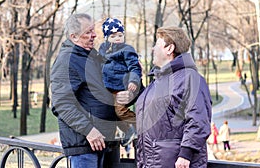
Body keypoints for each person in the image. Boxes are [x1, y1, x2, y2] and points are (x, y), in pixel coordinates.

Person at [50, 13, 131, 168]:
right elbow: (61, 104)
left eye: (93, 30)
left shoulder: (92, 57)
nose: (94, 35)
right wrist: (89, 131)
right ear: (74, 37)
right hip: (85, 146)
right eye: (87, 32)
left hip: (103, 142)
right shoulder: (67, 60)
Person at [126, 26, 212, 168]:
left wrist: (186, 154)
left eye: (156, 44)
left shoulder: (188, 78)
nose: (153, 49)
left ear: (169, 48)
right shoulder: (159, 80)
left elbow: (198, 119)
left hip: (175, 163)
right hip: (151, 163)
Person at [99, 17, 142, 147]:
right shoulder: (103, 51)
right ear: (106, 38)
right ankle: (128, 131)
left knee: (120, 111)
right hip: (109, 88)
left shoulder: (127, 50)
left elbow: (134, 67)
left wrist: (134, 81)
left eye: (120, 35)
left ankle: (140, 125)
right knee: (113, 113)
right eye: (113, 36)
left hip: (123, 87)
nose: (117, 38)